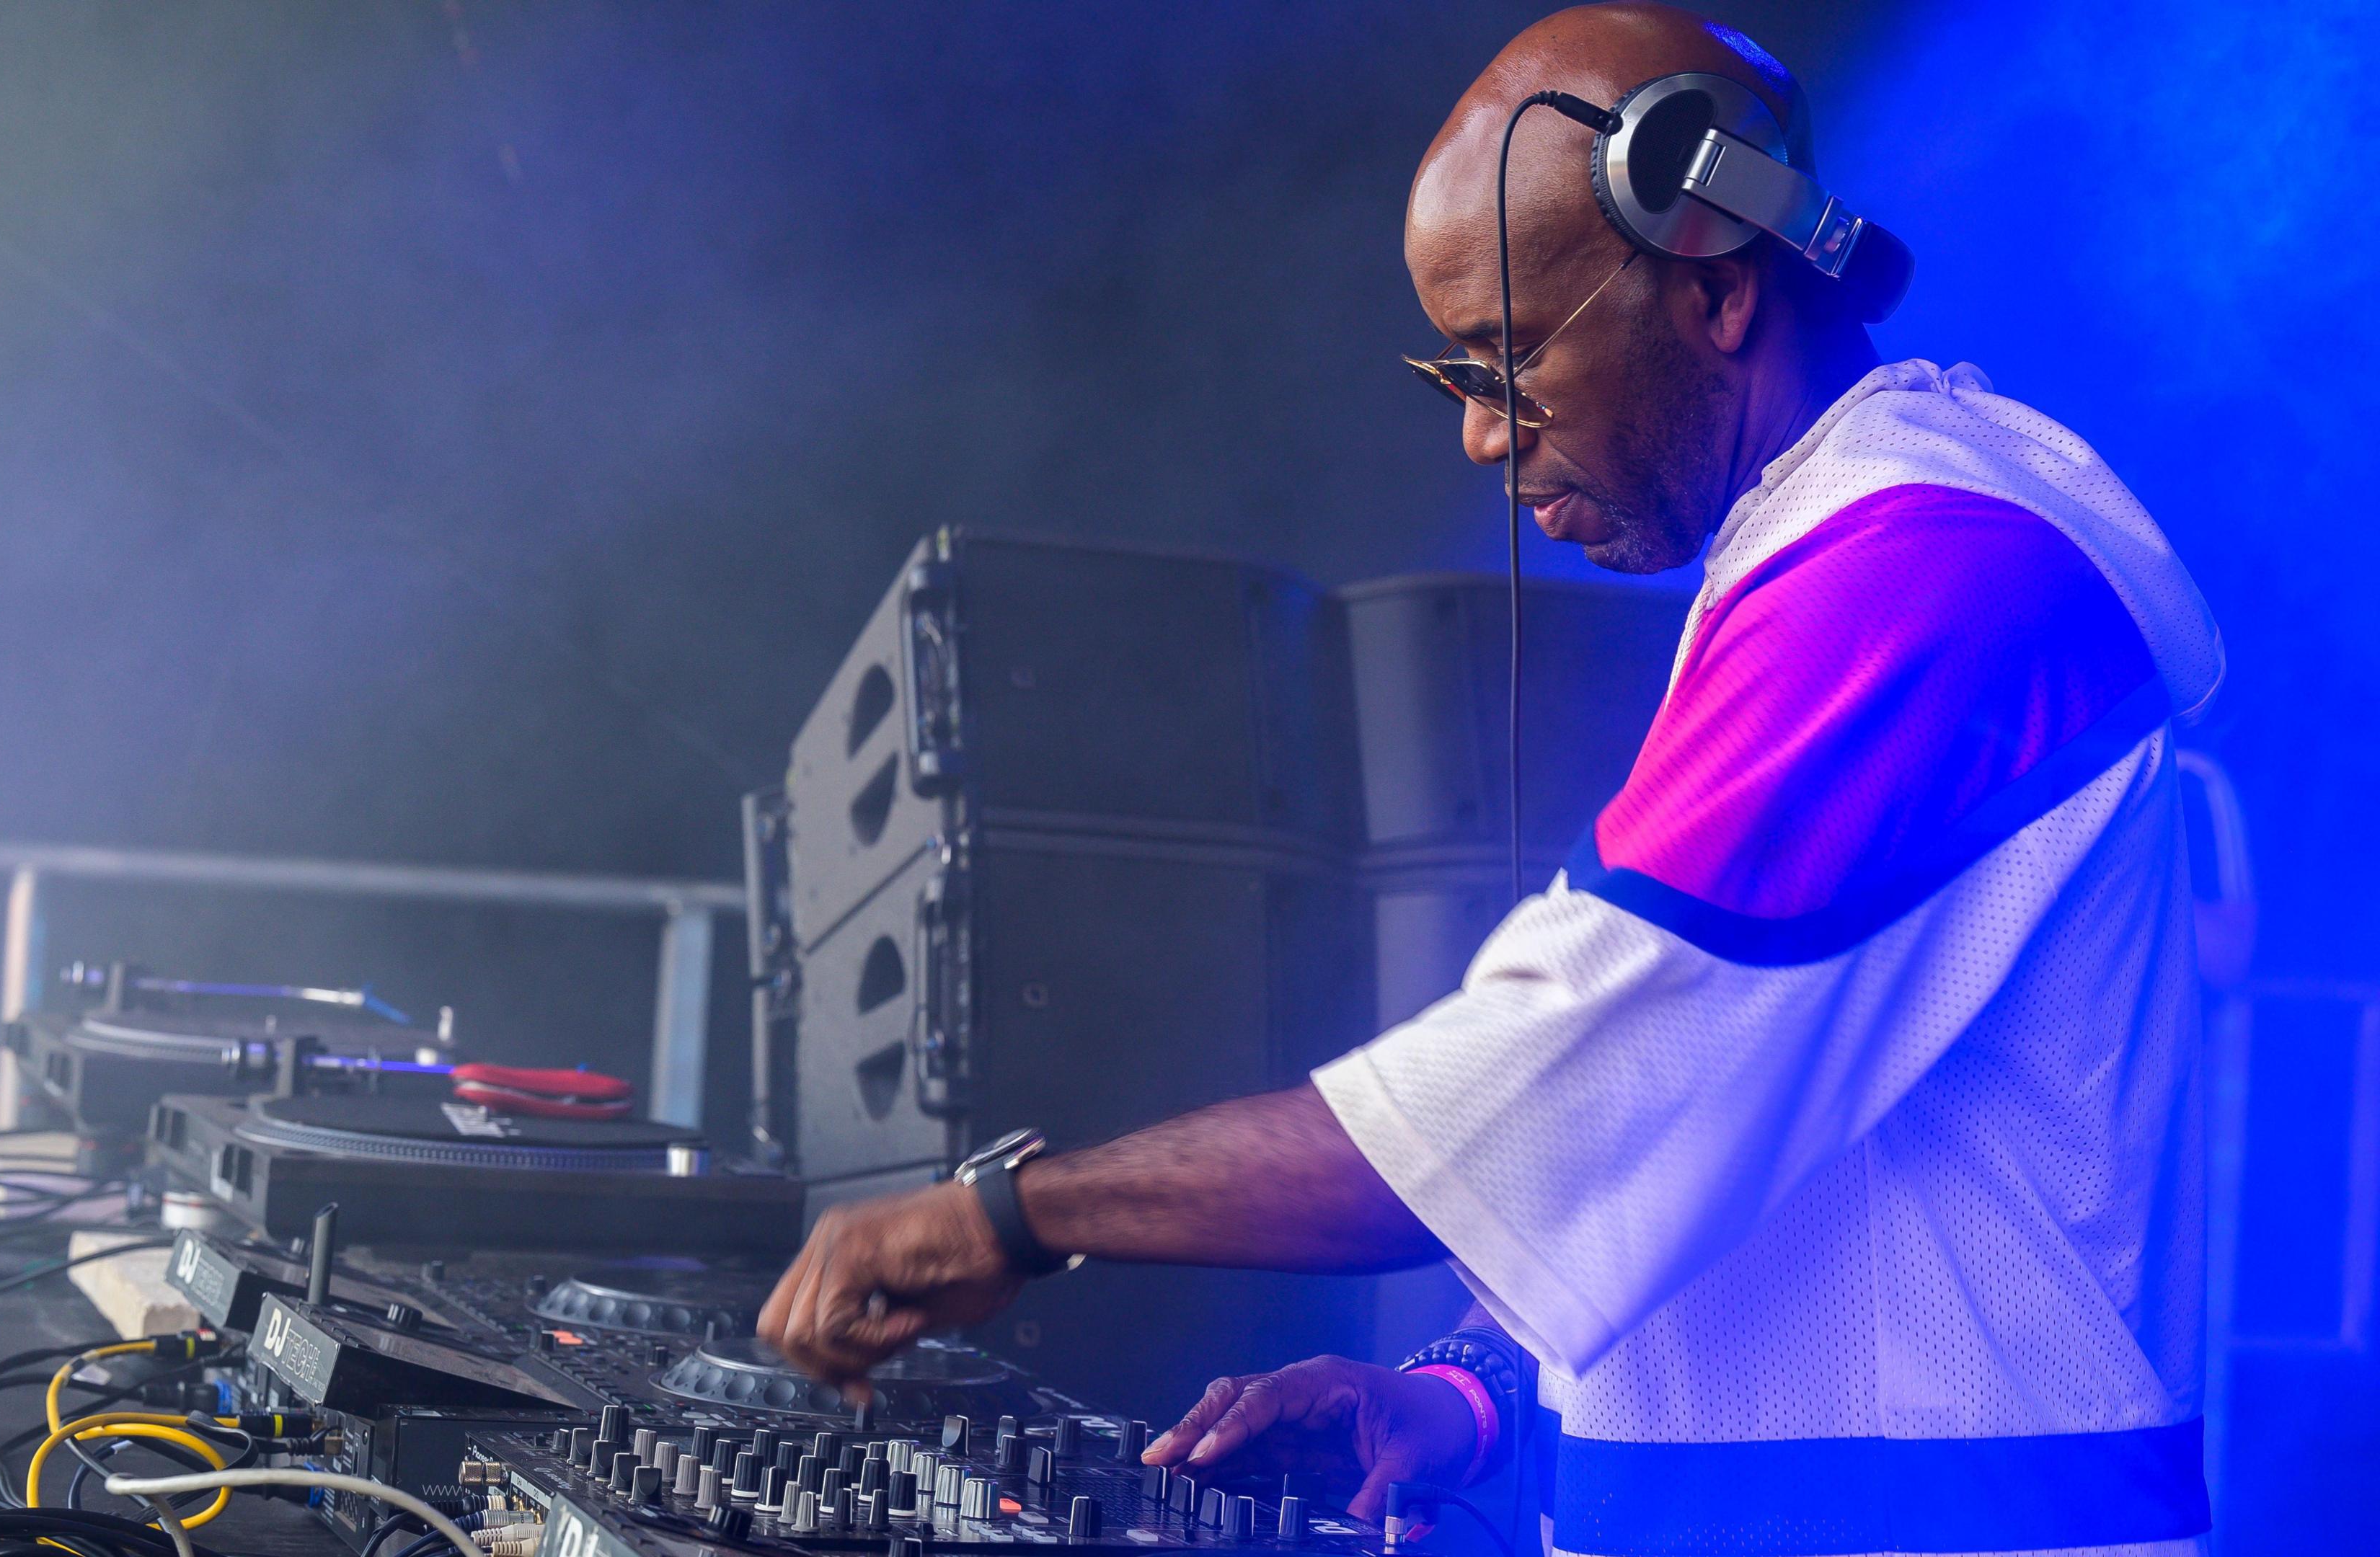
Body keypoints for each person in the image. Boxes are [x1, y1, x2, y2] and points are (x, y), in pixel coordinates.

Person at [759, 4, 2224, 1552]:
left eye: (1509, 359)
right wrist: (1461, 1390)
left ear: (1717, 288)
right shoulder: (1836, 555)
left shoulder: (1922, 582)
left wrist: (1009, 1214)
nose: (1476, 435)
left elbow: (1551, 1093)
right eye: (1451, 374)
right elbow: (1753, 1156)